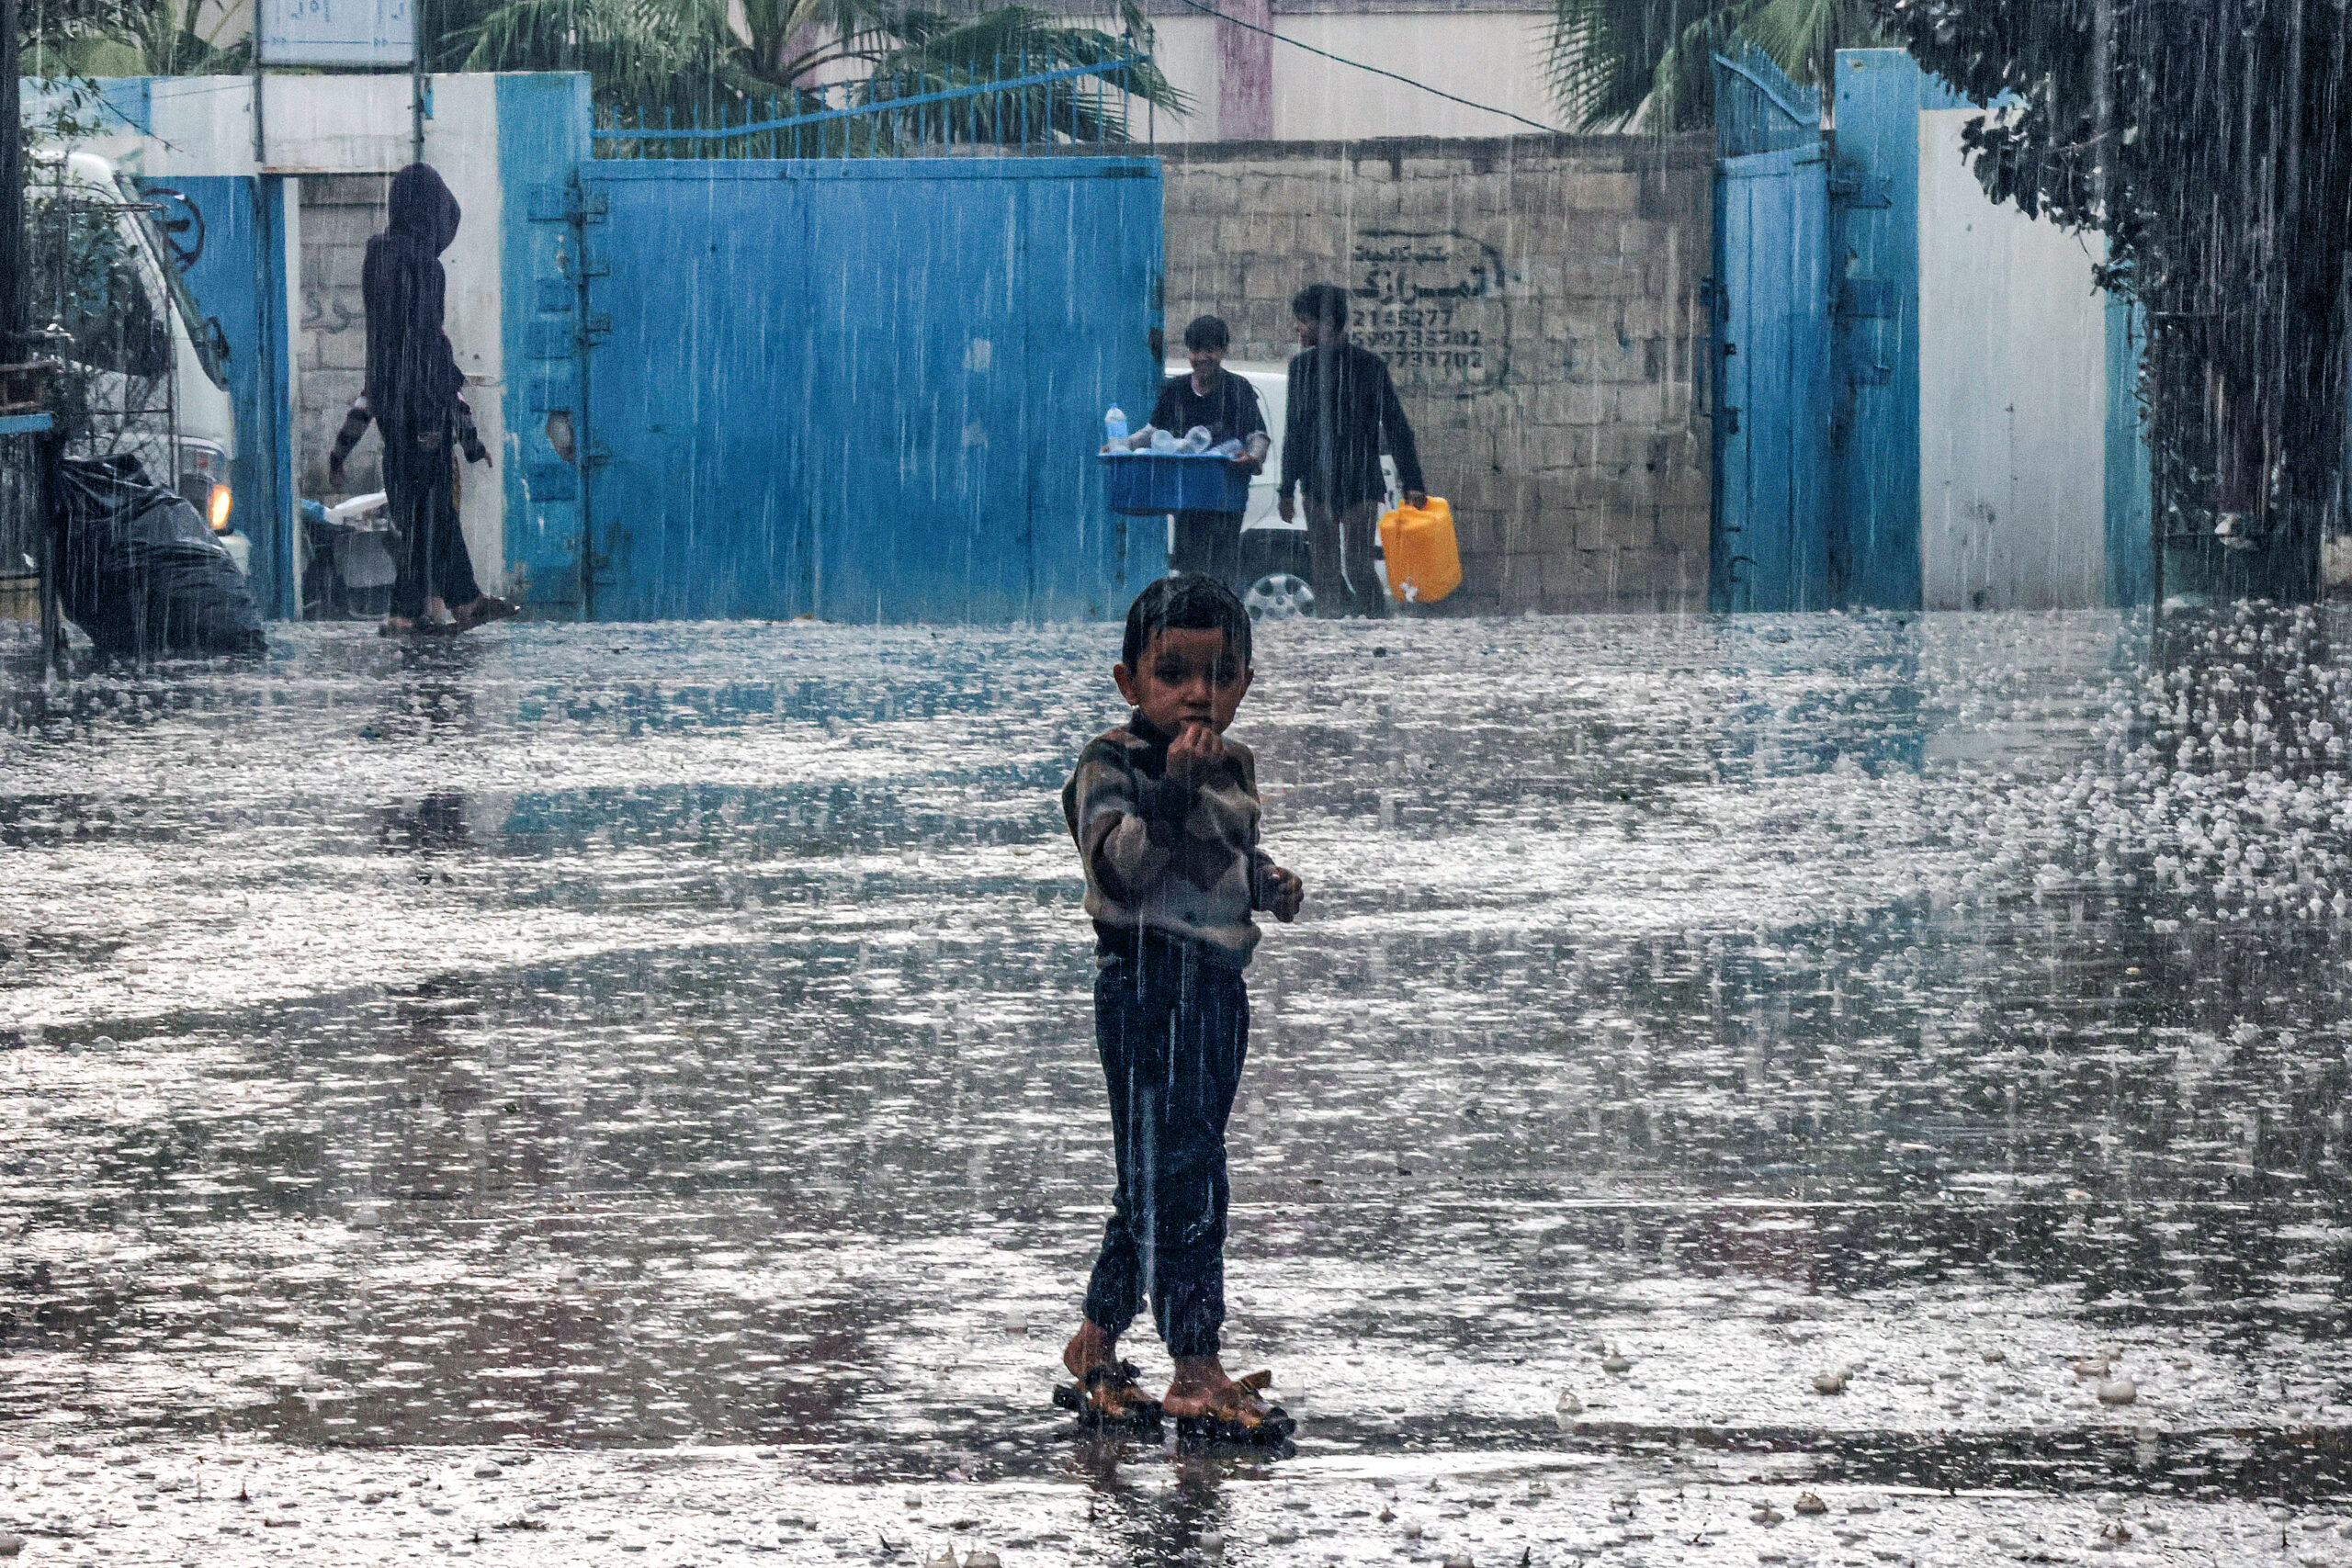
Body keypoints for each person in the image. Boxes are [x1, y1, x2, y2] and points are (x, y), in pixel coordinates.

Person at [1056, 574, 1306, 1444]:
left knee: (1153, 1179)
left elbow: (1230, 848)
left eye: (1221, 673)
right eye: (1173, 673)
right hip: (1146, 987)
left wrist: (1267, 882)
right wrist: (1166, 791)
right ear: (1130, 684)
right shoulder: (1111, 764)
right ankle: (1195, 1365)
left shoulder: (1231, 765)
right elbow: (1119, 869)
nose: (1199, 693)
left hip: (1215, 993)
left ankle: (1094, 1341)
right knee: (1187, 1176)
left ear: (1243, 681)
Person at [352, 163, 514, 636]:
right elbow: (428, 343)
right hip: (423, 405)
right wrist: (457, 425)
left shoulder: (376, 257)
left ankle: (447, 605)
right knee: (431, 514)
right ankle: (419, 612)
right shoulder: (423, 266)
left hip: (390, 404)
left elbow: (392, 340)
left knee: (428, 511)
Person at [1276, 281, 1429, 618]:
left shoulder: (1369, 367)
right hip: (1317, 483)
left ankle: (1377, 623)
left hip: (1360, 482)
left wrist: (1413, 480)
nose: (1298, 328)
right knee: (1325, 570)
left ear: (1327, 324)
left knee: (1359, 566)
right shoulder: (1301, 369)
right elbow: (1295, 433)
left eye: (1304, 320)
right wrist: (1286, 489)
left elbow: (1396, 426)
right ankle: (1330, 637)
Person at [1127, 315, 1268, 585]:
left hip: (1226, 497)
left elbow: (1258, 436)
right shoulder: (1176, 390)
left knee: (1222, 571)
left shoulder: (1237, 389)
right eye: (1195, 350)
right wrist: (1123, 445)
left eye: (1210, 350)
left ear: (1223, 350)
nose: (1202, 357)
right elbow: (1151, 433)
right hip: (1187, 498)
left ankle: (1219, 623)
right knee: (1188, 570)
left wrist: (1253, 457)